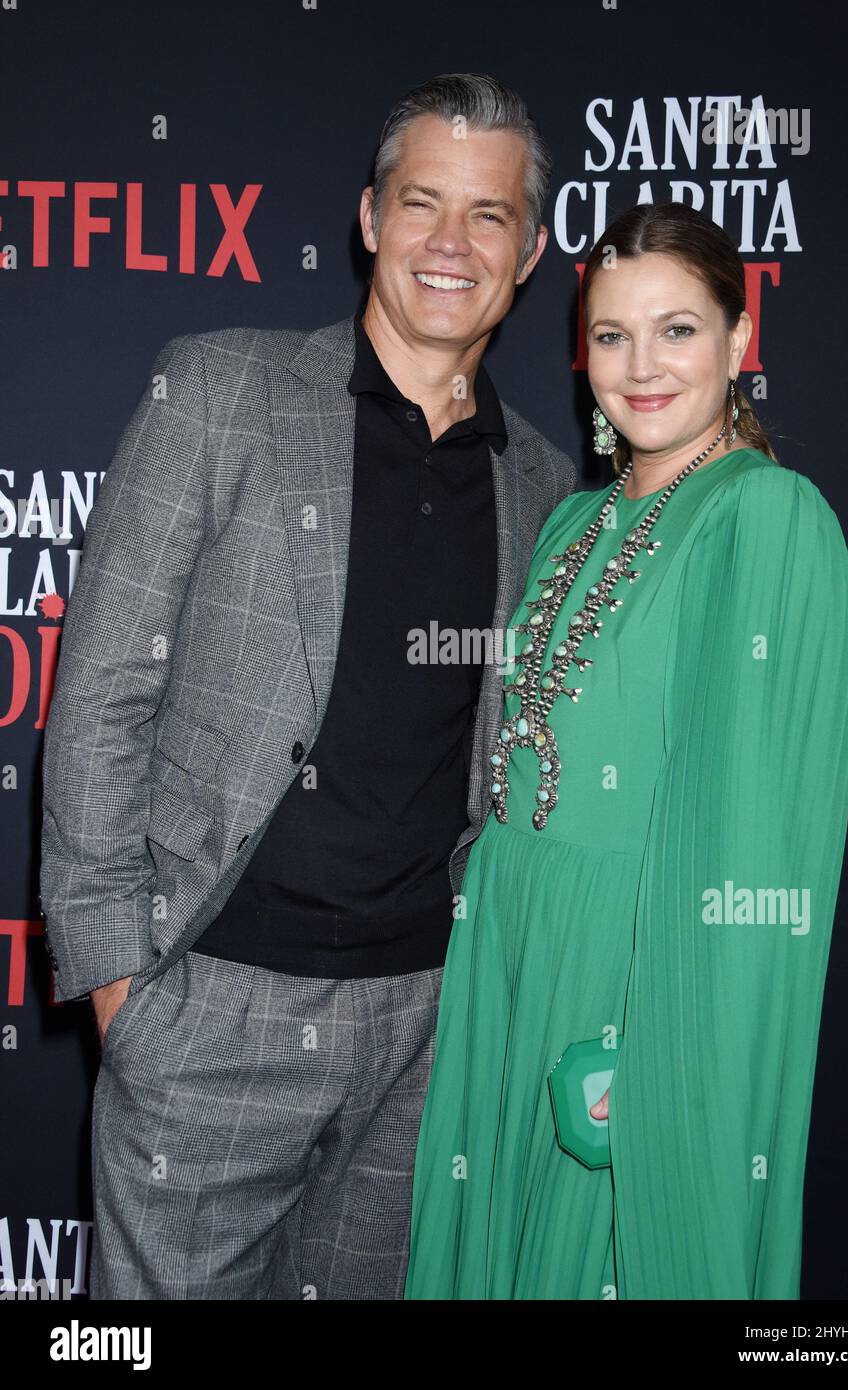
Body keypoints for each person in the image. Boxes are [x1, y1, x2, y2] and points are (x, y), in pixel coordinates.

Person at [38, 72, 576, 1299]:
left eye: (487, 215)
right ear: (368, 219)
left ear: (529, 250)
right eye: (421, 202)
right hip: (207, 1008)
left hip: (423, 1033)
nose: (451, 241)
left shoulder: (544, 487)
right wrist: (125, 985)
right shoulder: (220, 390)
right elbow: (102, 693)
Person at [404, 200, 848, 1300]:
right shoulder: (572, 522)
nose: (639, 366)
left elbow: (748, 853)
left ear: (738, 341)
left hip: (631, 987)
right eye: (610, 335)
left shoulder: (766, 519)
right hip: (509, 966)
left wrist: (654, 1067)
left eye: (677, 330)